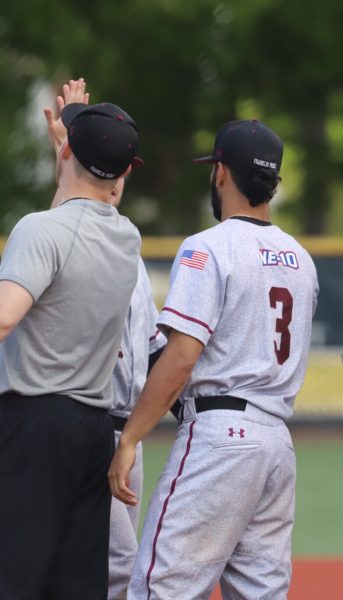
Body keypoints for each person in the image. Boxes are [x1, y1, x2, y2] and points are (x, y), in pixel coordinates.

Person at [107, 119, 319, 599]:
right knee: (259, 591)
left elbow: (181, 358)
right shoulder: (301, 258)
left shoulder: (208, 247)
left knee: (159, 585)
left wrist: (131, 439)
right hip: (276, 443)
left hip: (221, 435)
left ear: (221, 173)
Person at [0, 93, 142, 599]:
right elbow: (79, 219)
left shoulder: (40, 229)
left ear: (65, 155)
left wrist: (68, 151)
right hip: (92, 428)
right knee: (76, 582)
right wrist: (72, 150)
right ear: (123, 171)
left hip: (33, 422)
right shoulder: (128, 237)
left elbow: (4, 317)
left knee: (14, 573)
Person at [42, 77, 169, 599]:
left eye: (121, 168)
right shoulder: (68, 236)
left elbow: (157, 348)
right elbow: (64, 227)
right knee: (103, 572)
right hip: (84, 426)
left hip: (124, 434)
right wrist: (67, 147)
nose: (115, 179)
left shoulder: (129, 251)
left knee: (115, 569)